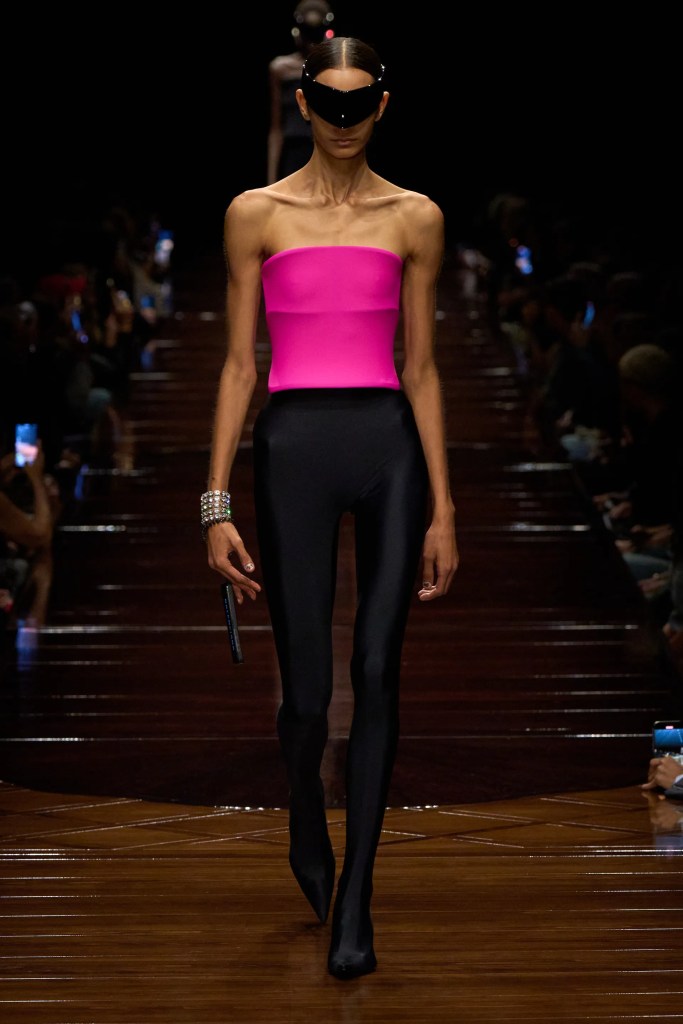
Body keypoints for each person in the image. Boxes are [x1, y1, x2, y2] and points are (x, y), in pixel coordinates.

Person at [203, 37, 459, 980]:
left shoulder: (416, 216)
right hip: (293, 450)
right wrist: (213, 503)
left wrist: (443, 509)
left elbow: (422, 368)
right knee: (306, 695)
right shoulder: (255, 214)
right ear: (304, 104)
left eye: (360, 104)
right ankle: (304, 809)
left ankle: (357, 896)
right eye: (328, 103)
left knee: (379, 669)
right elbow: (238, 366)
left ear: (381, 105)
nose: (343, 121)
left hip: (388, 444)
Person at [266, 0, 335, 185]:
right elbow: (276, 128)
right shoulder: (281, 69)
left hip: (328, 152)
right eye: (307, 32)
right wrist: (271, 182)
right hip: (293, 154)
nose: (311, 40)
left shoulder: (335, 68)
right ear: (297, 32)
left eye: (316, 32)